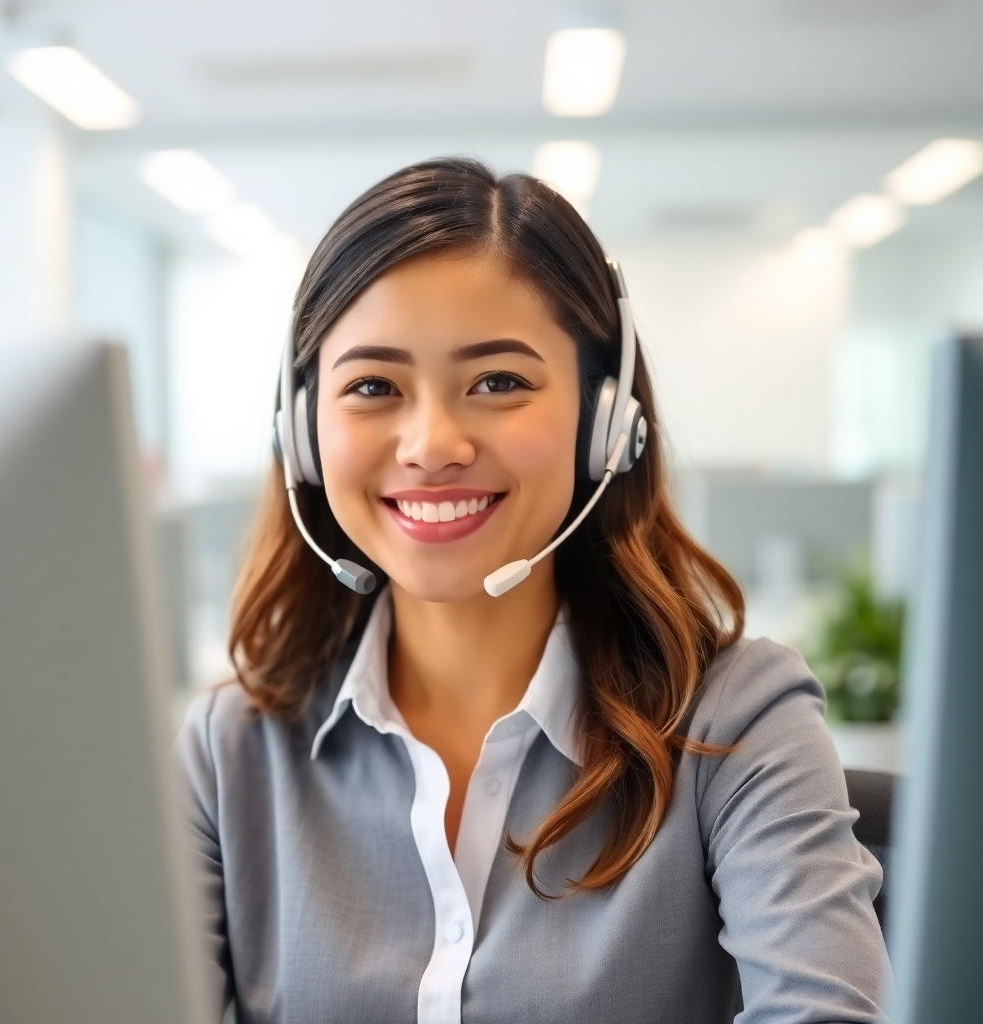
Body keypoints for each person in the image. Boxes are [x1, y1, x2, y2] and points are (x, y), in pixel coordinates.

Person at [176, 158, 889, 1024]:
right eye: (372, 387)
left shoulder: (737, 724)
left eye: (498, 382)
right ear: (301, 434)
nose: (431, 443)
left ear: (607, 421)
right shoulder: (232, 755)